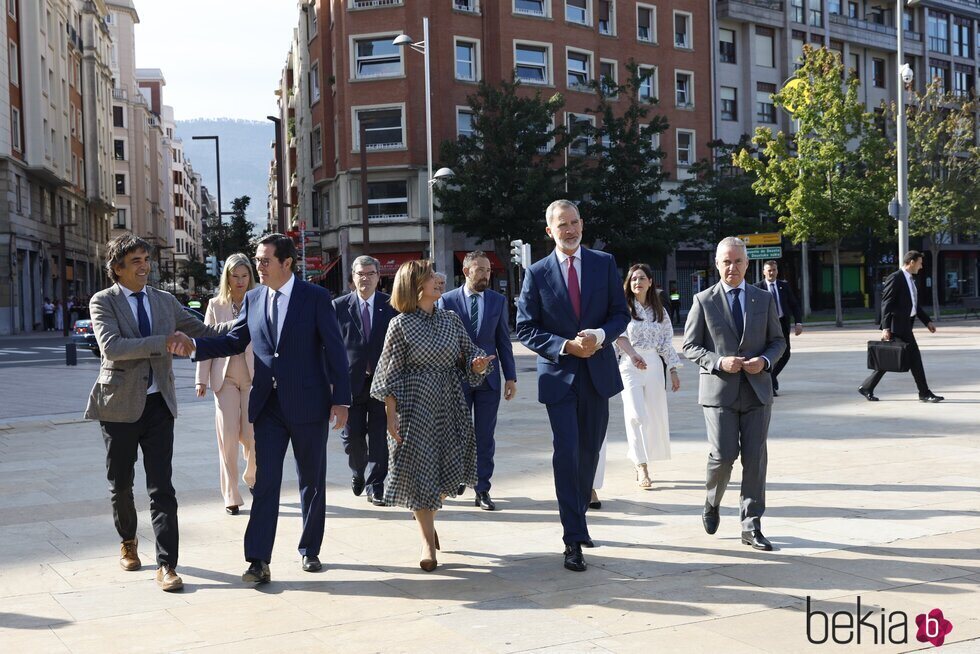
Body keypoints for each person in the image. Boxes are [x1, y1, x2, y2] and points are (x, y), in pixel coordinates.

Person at [185, 233, 351, 584]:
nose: (258, 266)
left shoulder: (316, 298)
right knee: (265, 482)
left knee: (311, 481)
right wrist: (195, 347)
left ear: (286, 263)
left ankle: (310, 549)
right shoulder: (255, 298)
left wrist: (342, 400)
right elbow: (235, 340)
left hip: (309, 403)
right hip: (268, 406)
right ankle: (258, 559)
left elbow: (336, 351)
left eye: (264, 261)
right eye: (257, 260)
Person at [84, 234, 228, 592]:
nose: (145, 266)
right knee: (121, 484)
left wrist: (247, 322)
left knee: (162, 486)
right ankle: (128, 541)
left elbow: (205, 330)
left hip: (159, 404)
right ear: (117, 268)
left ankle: (167, 564)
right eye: (135, 261)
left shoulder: (164, 301)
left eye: (146, 259)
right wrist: (162, 342)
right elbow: (113, 347)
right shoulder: (103, 301)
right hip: (117, 406)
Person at [516, 199, 630, 572]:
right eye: (561, 224)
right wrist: (565, 346)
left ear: (582, 225)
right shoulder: (536, 273)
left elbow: (620, 315)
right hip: (560, 377)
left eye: (574, 222)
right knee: (567, 454)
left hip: (597, 374)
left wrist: (599, 335)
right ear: (549, 231)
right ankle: (572, 539)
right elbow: (526, 328)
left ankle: (577, 519)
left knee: (589, 454)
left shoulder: (604, 263)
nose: (570, 230)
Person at [371, 259, 495, 571]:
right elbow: (388, 373)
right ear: (415, 286)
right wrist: (391, 415)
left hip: (449, 404)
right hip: (414, 406)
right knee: (419, 474)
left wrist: (478, 364)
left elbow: (471, 353)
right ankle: (427, 543)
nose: (439, 282)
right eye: (431, 278)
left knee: (445, 476)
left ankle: (428, 519)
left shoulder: (451, 319)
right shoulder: (400, 325)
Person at [683, 237, 785, 552]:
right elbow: (689, 345)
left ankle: (751, 526)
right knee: (723, 456)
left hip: (757, 393)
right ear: (717, 264)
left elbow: (778, 341)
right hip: (719, 393)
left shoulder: (762, 298)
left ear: (747, 264)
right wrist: (718, 361)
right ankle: (712, 501)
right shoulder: (703, 300)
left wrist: (765, 361)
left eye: (738, 261)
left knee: (755, 460)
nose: (733, 268)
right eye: (727, 262)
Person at [440, 250, 517, 511]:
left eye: (488, 270)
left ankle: (482, 488)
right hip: (457, 379)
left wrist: (511, 377)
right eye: (480, 269)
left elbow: (503, 341)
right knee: (459, 435)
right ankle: (461, 475)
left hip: (489, 380)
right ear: (466, 271)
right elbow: (443, 342)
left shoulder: (496, 300)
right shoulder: (447, 300)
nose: (486, 274)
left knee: (485, 435)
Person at [195, 253, 257, 516]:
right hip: (225, 378)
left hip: (255, 377)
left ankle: (252, 474)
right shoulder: (215, 305)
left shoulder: (260, 300)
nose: (240, 281)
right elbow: (206, 340)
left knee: (252, 434)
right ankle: (231, 495)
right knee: (228, 437)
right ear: (227, 278)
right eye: (235, 276)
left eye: (244, 276)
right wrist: (201, 379)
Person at [334, 255, 397, 506]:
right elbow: (330, 347)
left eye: (371, 274)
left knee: (380, 438)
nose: (365, 278)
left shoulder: (391, 305)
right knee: (353, 439)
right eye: (361, 274)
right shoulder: (338, 307)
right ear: (353, 278)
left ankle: (376, 485)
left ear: (378, 278)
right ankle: (358, 471)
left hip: (382, 384)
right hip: (351, 384)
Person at [612, 263, 682, 489]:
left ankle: (640, 456)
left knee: (652, 417)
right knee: (636, 415)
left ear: (650, 282)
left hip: (653, 364)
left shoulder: (659, 310)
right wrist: (632, 356)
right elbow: (618, 336)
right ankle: (641, 465)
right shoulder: (622, 309)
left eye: (641, 278)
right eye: (633, 278)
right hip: (629, 364)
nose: (637, 282)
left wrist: (672, 370)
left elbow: (665, 342)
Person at [859, 250, 944, 403]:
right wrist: (885, 327)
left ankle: (867, 387)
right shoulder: (896, 278)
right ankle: (924, 393)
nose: (921, 266)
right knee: (914, 359)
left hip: (905, 325)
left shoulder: (910, 279)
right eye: (920, 263)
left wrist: (927, 321)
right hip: (897, 326)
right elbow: (886, 303)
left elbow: (914, 305)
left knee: (890, 358)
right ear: (911, 262)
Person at [754, 260, 803, 396]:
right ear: (764, 272)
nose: (771, 272)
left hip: (782, 324)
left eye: (774, 270)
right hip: (765, 326)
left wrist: (798, 322)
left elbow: (794, 304)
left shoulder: (784, 286)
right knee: (768, 353)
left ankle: (771, 377)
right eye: (769, 270)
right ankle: (769, 383)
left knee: (785, 354)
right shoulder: (757, 288)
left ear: (777, 271)